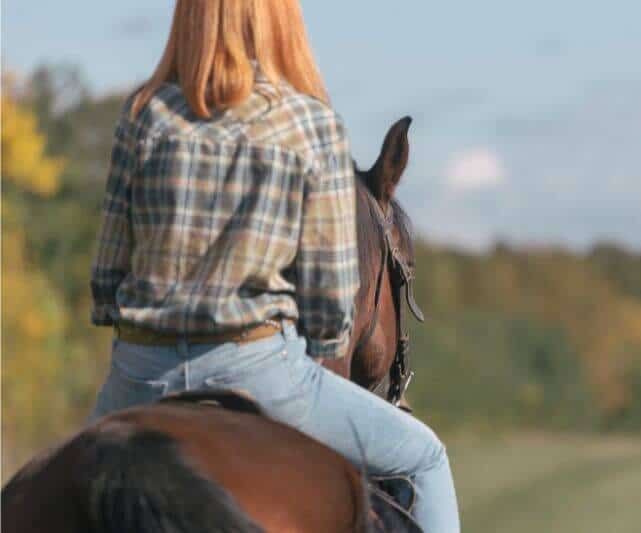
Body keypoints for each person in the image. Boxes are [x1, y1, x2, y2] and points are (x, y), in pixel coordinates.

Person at [87, 1, 460, 531]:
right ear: (281, 20)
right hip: (257, 371)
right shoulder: (311, 124)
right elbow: (331, 308)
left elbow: (105, 284)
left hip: (138, 376)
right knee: (425, 460)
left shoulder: (144, 113)